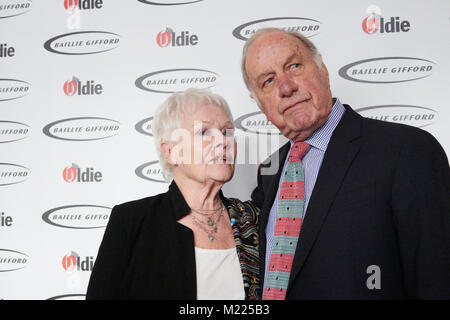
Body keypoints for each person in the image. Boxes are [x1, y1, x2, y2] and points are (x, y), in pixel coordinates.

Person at [242, 28, 450, 299]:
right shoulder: (269, 173)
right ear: (260, 103)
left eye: (293, 66)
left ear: (322, 69)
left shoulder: (407, 150)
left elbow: (438, 282)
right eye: (268, 81)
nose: (286, 87)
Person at [86, 88, 259, 300]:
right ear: (171, 152)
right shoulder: (132, 221)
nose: (223, 141)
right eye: (204, 132)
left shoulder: (253, 218)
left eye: (227, 132)